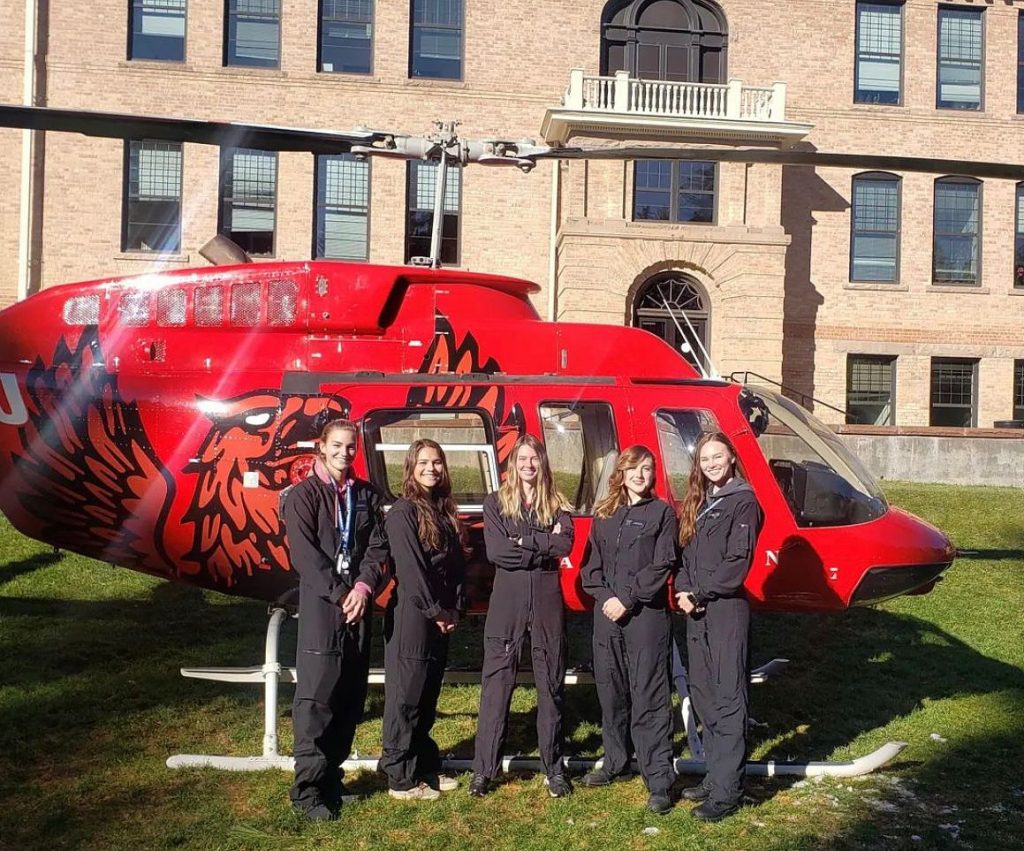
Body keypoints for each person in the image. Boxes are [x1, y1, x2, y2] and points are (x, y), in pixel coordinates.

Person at [283, 418, 387, 821]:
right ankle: (307, 791)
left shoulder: (364, 495)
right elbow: (306, 557)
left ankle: (331, 777)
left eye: (351, 447)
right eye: (338, 446)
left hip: (358, 606)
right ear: (321, 447)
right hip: (324, 608)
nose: (346, 453)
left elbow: (378, 546)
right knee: (316, 699)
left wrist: (363, 588)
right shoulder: (304, 496)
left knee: (349, 695)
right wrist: (341, 593)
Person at [469, 434, 575, 799]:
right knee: (497, 686)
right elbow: (499, 553)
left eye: (534, 459)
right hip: (507, 603)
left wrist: (525, 542)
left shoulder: (557, 503)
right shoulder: (496, 503)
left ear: (542, 464)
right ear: (512, 464)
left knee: (551, 686)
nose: (528, 465)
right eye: (522, 459)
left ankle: (554, 769)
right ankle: (484, 770)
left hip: (546, 602)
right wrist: (542, 544)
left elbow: (564, 546)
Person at [580, 445, 679, 815]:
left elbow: (663, 563)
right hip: (607, 616)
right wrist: (606, 597)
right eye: (634, 468)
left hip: (645, 618)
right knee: (611, 692)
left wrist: (628, 598)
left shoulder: (662, 514)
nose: (641, 475)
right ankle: (615, 762)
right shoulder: (604, 514)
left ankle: (658, 779)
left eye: (648, 469)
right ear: (620, 472)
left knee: (650, 696)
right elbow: (590, 567)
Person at [673, 432, 763, 822]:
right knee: (704, 696)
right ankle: (715, 775)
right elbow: (685, 555)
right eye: (704, 458)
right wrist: (680, 589)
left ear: (731, 458)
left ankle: (728, 793)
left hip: (724, 611)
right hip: (697, 612)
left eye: (717, 456)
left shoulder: (743, 502)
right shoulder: (701, 502)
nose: (710, 463)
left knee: (728, 701)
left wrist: (700, 593)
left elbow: (735, 565)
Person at [373, 438, 466, 801]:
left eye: (437, 462)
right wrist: (435, 612)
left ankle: (424, 764)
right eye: (424, 462)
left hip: (440, 616)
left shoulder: (442, 510)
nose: (431, 468)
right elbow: (411, 571)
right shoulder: (402, 512)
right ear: (411, 468)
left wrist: (454, 608)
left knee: (427, 695)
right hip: (414, 615)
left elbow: (456, 567)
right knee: (406, 696)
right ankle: (399, 776)